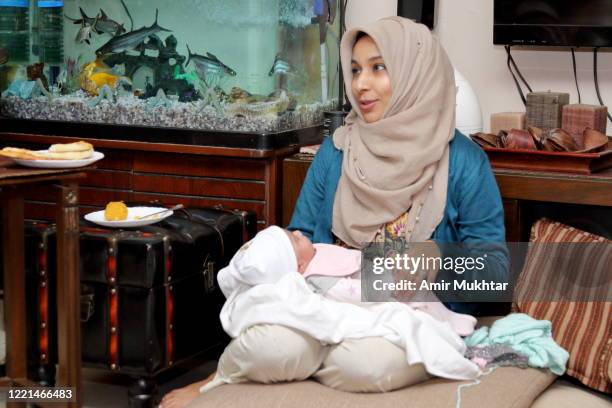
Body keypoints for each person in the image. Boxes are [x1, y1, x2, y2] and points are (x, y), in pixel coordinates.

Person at [160, 16, 507, 408]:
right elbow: (300, 240)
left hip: (408, 317)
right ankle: (230, 375)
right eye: (356, 70)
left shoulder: (463, 162)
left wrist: (440, 257)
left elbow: (494, 274)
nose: (361, 84)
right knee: (272, 344)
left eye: (379, 68)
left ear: (416, 74)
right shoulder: (337, 152)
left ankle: (307, 360)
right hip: (324, 306)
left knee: (369, 365)